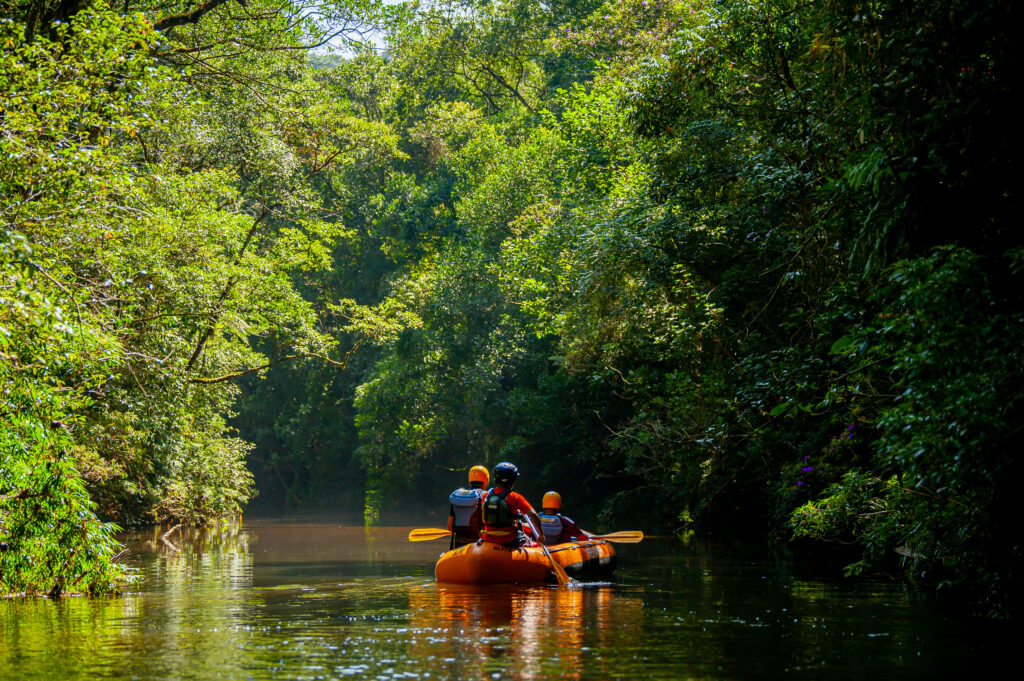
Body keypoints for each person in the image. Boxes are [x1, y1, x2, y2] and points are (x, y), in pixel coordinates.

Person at [480, 462, 543, 547]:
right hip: (509, 539)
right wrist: (541, 535)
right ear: (512, 480)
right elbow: (533, 515)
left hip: (488, 538)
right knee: (528, 539)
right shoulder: (514, 497)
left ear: (495, 479)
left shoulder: (486, 496)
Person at [447, 465, 489, 548]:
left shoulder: (458, 496)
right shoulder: (487, 496)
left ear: (470, 480)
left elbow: (450, 527)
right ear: (486, 480)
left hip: (459, 541)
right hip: (478, 543)